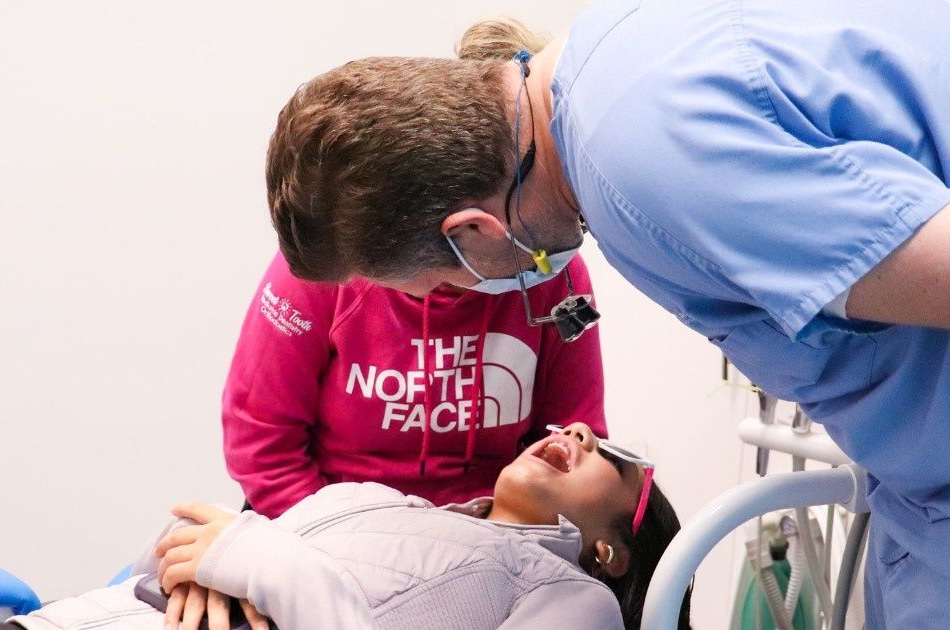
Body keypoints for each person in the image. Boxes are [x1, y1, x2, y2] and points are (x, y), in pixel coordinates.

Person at [262, 5, 950, 624]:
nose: (459, 296)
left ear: (471, 231)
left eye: (442, 280)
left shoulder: (648, 167)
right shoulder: (608, 59)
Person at [0, 424, 690, 629]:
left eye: (613, 455)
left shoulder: (575, 601)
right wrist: (211, 564)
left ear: (614, 545)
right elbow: (205, 546)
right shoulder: (379, 498)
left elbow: (254, 549)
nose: (576, 433)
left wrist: (257, 560)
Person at [223, 249, 605, 518]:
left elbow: (575, 442)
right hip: (328, 529)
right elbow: (262, 443)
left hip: (493, 540)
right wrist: (332, 558)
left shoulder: (556, 274)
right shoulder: (327, 258)